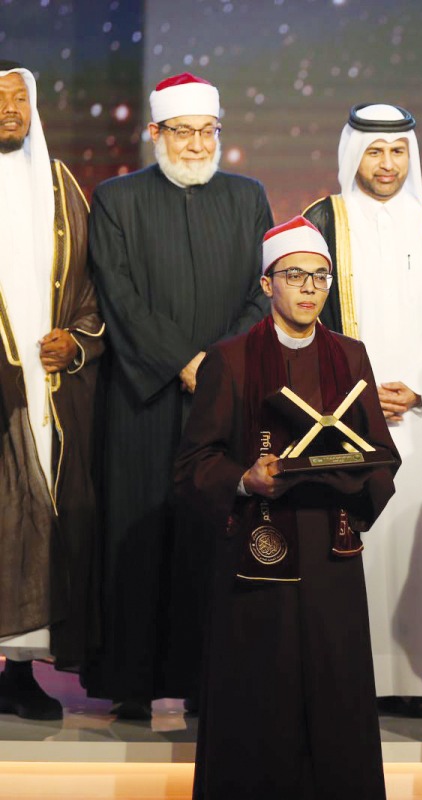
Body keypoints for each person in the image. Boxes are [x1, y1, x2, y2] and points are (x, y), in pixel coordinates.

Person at [174, 216, 399, 800]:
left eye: (320, 276)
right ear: (266, 283)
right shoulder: (230, 359)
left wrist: (350, 477)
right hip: (257, 560)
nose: (309, 287)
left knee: (335, 697)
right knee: (258, 702)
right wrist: (244, 480)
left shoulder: (350, 356)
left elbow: (383, 457)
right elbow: (194, 464)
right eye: (294, 274)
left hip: (331, 555)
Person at [87, 72, 274, 718]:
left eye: (207, 131)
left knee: (213, 534)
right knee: (136, 534)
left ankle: (207, 681)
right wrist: (182, 361)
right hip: (141, 398)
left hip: (223, 400)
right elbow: (118, 294)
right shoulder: (117, 199)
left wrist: (216, 366)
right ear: (155, 133)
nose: (196, 145)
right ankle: (132, 683)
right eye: (182, 132)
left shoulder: (248, 197)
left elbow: (263, 291)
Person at [303, 103, 422, 717]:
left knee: (417, 543)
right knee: (360, 539)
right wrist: (363, 389)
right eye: (375, 151)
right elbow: (310, 317)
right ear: (354, 153)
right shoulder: (323, 220)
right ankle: (354, 676)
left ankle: (421, 680)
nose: (387, 164)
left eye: (398, 151)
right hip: (347, 414)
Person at [0, 61, 104, 719]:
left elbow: (93, 286)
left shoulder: (62, 186)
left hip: (48, 393)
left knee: (35, 525)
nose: (8, 109)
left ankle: (17, 671)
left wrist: (77, 341)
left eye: (18, 99)